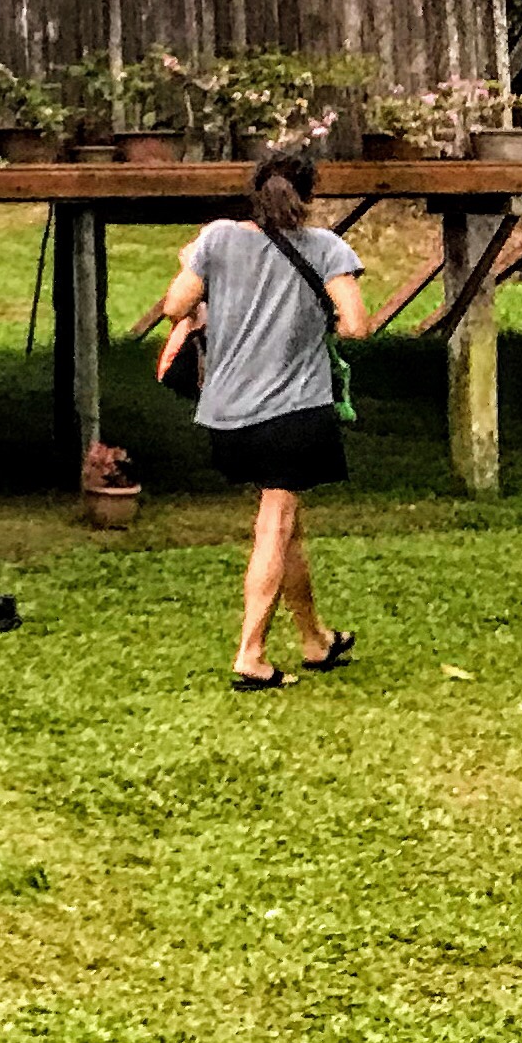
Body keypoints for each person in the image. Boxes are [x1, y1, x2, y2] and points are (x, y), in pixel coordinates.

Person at [157, 144, 368, 690]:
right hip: (294, 411)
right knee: (274, 527)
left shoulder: (217, 238)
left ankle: (314, 639)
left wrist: (199, 269)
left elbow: (176, 307)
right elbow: (355, 325)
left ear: (254, 190)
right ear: (309, 194)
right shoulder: (325, 247)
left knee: (287, 524)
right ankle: (250, 655)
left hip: (226, 413)